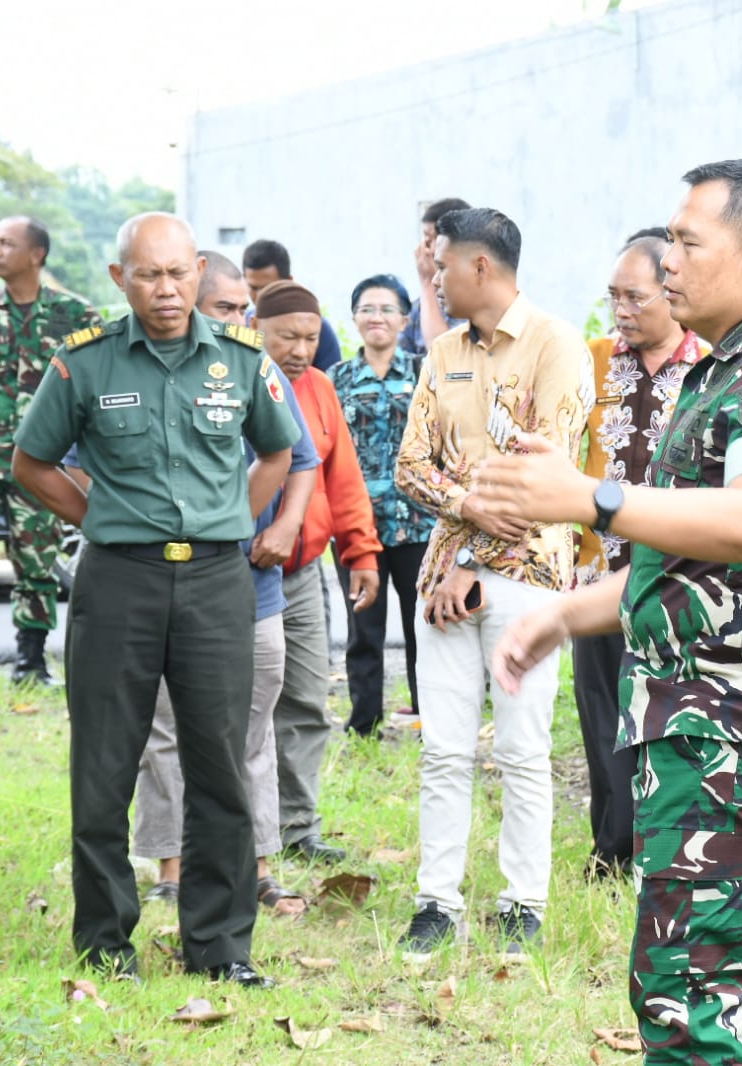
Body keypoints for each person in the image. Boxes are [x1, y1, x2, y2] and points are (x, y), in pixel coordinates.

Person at [479, 160, 742, 1064]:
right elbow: (692, 559)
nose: (669, 265)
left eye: (689, 243)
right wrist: (565, 615)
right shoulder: (726, 372)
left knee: (691, 1000)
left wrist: (588, 498)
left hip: (736, 737)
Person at [12, 212, 299, 987]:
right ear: (120, 279)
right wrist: (100, 518)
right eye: (148, 275)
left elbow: (280, 451)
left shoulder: (239, 360)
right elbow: (31, 462)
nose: (166, 290)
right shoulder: (85, 364)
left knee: (219, 765)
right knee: (103, 767)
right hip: (118, 582)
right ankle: (106, 944)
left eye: (178, 274)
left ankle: (220, 948)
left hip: (215, 582)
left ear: (199, 271)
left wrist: (236, 520)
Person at [392, 206, 593, 963]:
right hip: (443, 577)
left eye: (441, 264)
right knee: (442, 749)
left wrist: (470, 562)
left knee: (521, 748)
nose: (433, 276)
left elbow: (545, 474)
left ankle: (522, 903)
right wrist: (466, 511)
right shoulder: (442, 351)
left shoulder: (555, 343)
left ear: (480, 267)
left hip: (526, 576)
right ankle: (435, 902)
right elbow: (410, 466)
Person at [130, 251, 321, 918]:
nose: (240, 320)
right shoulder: (136, 368)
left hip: (251, 588)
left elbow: (300, 456)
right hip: (159, 583)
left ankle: (257, 865)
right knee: (166, 730)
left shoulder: (255, 367)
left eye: (244, 309)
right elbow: (72, 466)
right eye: (226, 309)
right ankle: (173, 869)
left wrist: (284, 526)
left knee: (250, 732)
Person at [571, 232, 706, 879]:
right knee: (602, 717)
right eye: (612, 296)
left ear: (672, 293)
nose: (620, 310)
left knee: (673, 716)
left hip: (681, 584)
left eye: (634, 296)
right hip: (597, 576)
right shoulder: (590, 362)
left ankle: (673, 848)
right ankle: (611, 848)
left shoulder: (708, 369)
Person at [0, 216, 99, 687]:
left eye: (7, 243)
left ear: (37, 254)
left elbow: (96, 381)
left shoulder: (78, 316)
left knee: (37, 558)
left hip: (42, 461)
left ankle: (30, 664)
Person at [253, 279, 383, 864]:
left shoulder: (320, 388)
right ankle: (242, 831)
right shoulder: (234, 379)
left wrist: (361, 553)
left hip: (302, 572)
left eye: (310, 337)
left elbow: (343, 479)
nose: (300, 350)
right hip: (238, 569)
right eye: (287, 337)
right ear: (258, 329)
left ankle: (297, 828)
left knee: (305, 698)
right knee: (241, 704)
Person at [328, 274, 435, 734]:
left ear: (404, 319)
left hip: (417, 522)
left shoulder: (424, 373)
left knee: (423, 626)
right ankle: (364, 722)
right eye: (367, 309)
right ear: (354, 319)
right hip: (357, 525)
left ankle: (428, 715)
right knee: (363, 628)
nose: (377, 318)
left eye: (387, 309)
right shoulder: (336, 380)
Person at [241, 238, 343, 371]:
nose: (260, 296)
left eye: (268, 287)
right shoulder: (239, 326)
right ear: (254, 325)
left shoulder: (319, 329)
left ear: (289, 281)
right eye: (254, 288)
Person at [396, 197, 469, 356]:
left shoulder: (473, 303)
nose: (424, 249)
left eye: (430, 239)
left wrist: (427, 281)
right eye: (424, 239)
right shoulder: (417, 308)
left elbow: (443, 355)